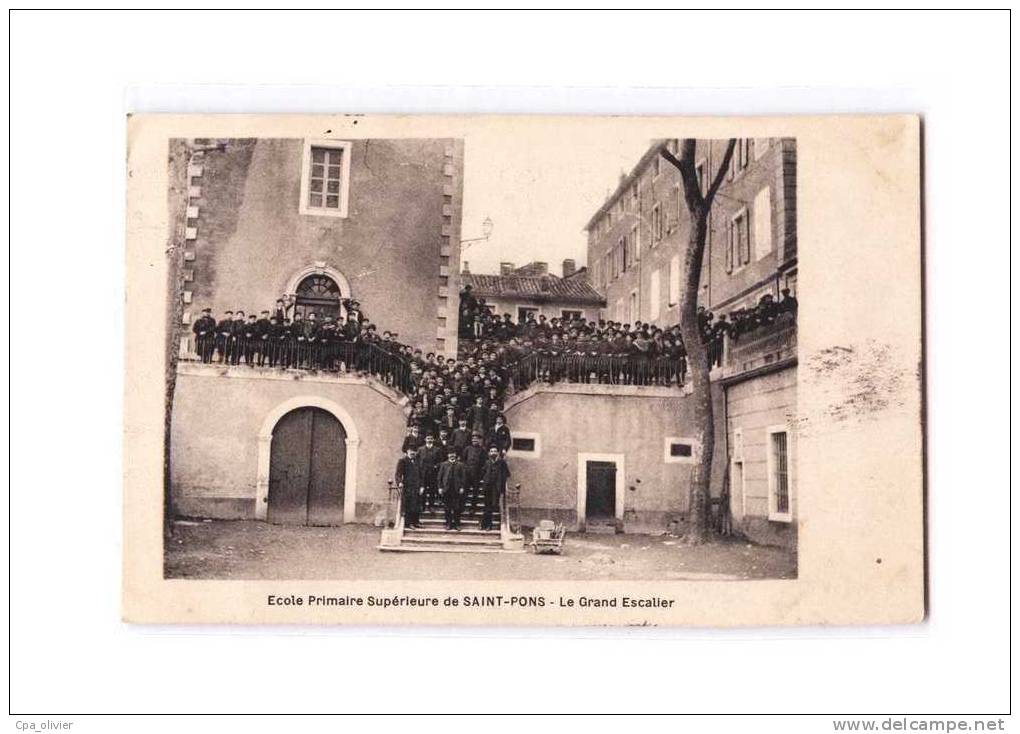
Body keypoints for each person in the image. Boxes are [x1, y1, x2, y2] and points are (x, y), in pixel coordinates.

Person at [478, 446, 510, 531]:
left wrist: (501, 485)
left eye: (495, 451)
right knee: (487, 506)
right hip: (487, 487)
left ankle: (484, 524)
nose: (493, 453)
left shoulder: (502, 462)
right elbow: (482, 473)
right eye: (491, 451)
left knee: (492, 506)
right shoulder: (487, 462)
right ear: (489, 453)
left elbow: (507, 474)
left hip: (496, 488)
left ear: (498, 453)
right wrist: (485, 480)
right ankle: (487, 524)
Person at [436, 449, 468, 530]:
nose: (452, 455)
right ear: (448, 455)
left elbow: (464, 477)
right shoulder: (444, 464)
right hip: (447, 489)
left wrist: (462, 487)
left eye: (453, 454)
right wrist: (440, 487)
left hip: (456, 489)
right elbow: (440, 477)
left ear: (456, 455)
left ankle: (457, 524)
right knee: (447, 508)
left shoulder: (460, 465)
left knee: (457, 508)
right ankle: (448, 524)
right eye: (450, 454)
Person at [394, 447, 424, 529]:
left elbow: (421, 475)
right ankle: (409, 523)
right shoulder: (402, 461)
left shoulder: (417, 462)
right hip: (408, 487)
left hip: (417, 487)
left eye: (414, 451)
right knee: (409, 505)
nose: (412, 453)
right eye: (411, 451)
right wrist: (399, 482)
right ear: (407, 451)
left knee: (417, 505)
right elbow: (398, 474)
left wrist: (422, 486)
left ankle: (416, 522)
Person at [417, 434, 443, 511]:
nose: (429, 440)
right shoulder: (420, 449)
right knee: (423, 489)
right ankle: (422, 505)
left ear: (433, 440)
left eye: (431, 438)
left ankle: (431, 506)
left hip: (433, 473)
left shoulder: (437, 450)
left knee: (432, 490)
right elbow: (417, 461)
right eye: (428, 438)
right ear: (425, 439)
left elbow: (441, 461)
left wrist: (436, 466)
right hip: (423, 473)